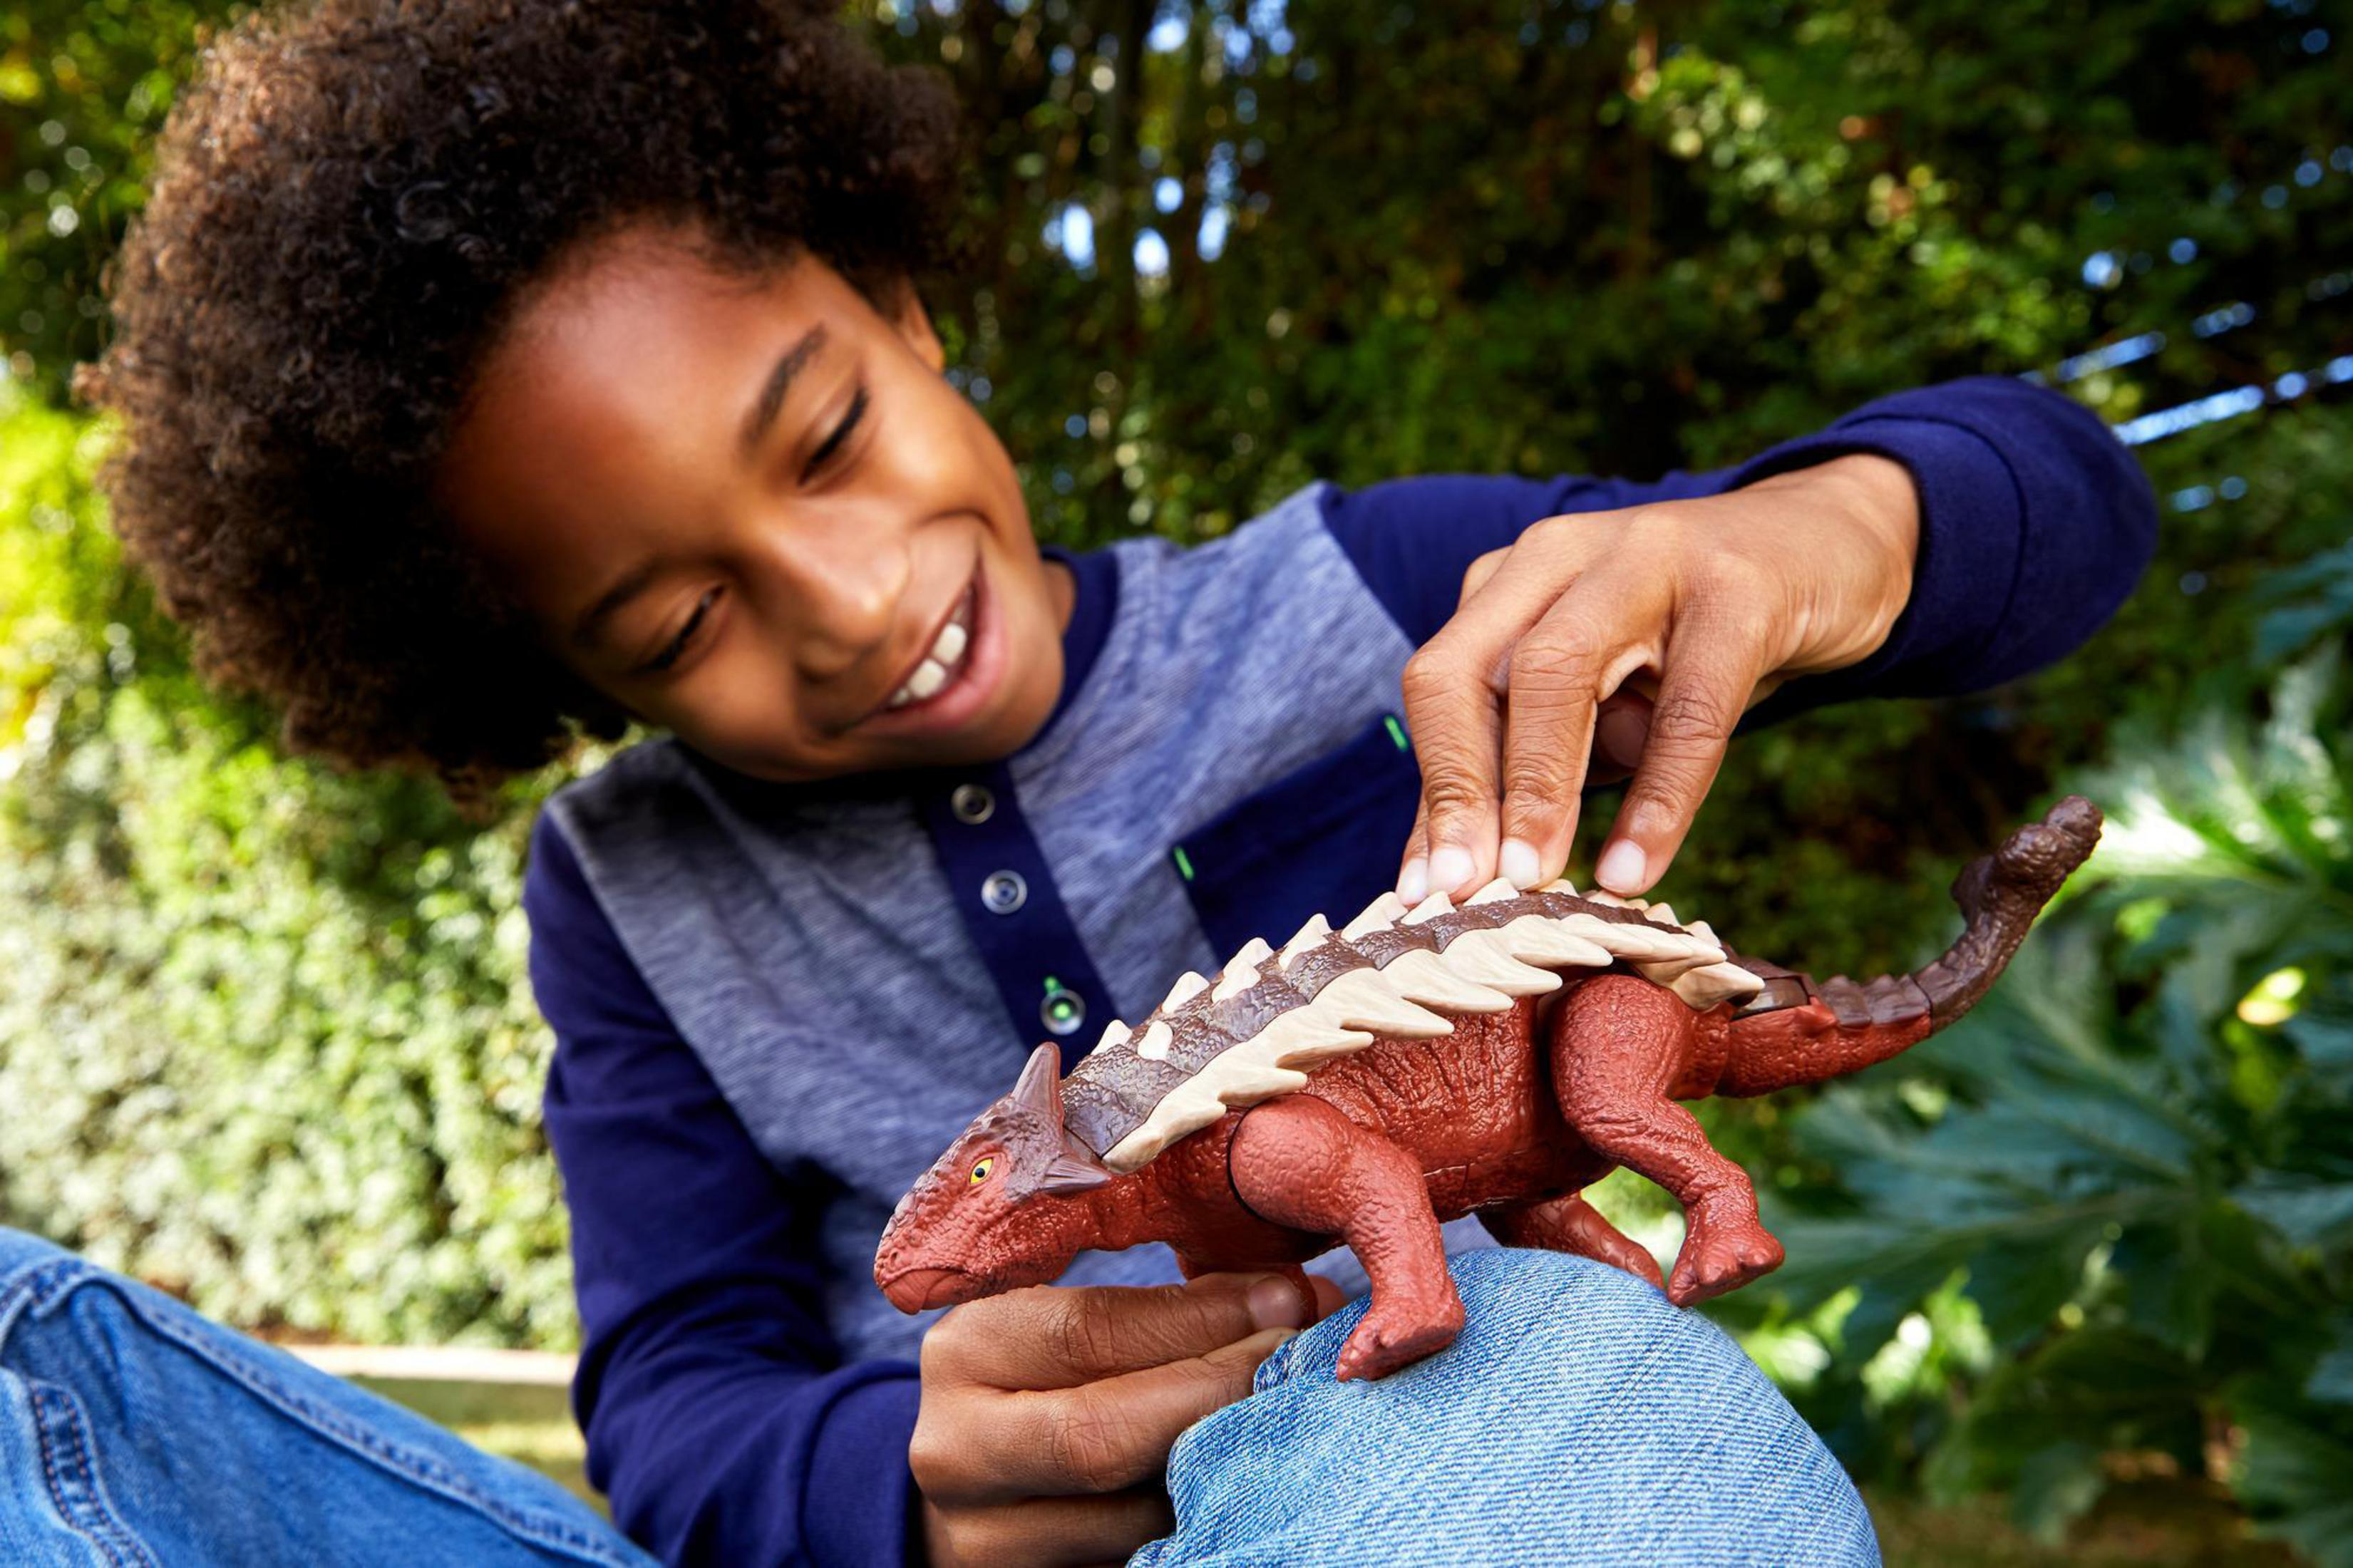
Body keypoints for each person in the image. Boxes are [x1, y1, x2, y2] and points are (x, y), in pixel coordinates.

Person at [48, 0, 2158, 1562]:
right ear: (550, 677)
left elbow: (2062, 487)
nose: (853, 605)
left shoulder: (1376, 590)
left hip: (1457, 1444)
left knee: (1505, 1422)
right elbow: (677, 1407)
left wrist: (1822, 531)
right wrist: (901, 1484)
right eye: (677, 620)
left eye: (825, 439)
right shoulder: (624, 887)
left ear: (903, 305)